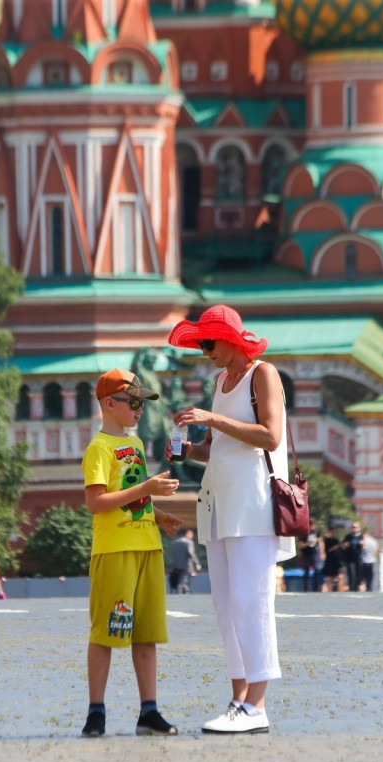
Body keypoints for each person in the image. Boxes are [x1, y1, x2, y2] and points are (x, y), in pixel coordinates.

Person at [168, 305, 298, 735]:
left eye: (209, 342)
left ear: (230, 339)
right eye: (200, 343)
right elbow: (219, 447)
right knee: (226, 610)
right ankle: (238, 700)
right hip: (220, 504)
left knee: (252, 601)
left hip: (255, 504)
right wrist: (188, 449)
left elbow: (270, 435)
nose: (204, 351)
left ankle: (257, 705)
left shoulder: (265, 374)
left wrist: (211, 418)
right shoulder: (222, 382)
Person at [80, 368, 183, 738]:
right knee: (107, 633)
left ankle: (149, 712)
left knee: (146, 635)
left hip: (147, 548)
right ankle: (96, 712)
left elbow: (133, 498)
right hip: (115, 550)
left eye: (142, 404)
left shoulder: (137, 446)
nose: (139, 410)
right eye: (133, 403)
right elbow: (96, 502)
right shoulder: (99, 448)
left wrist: (159, 515)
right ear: (110, 403)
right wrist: (150, 486)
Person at [170, 529, 201, 594]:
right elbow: (191, 553)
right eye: (191, 534)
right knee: (183, 580)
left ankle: (180, 592)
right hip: (186, 565)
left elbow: (173, 553)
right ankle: (182, 594)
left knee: (179, 580)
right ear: (187, 534)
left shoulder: (176, 542)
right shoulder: (189, 542)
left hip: (176, 565)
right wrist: (197, 563)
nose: (192, 536)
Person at [299, 527, 325, 592]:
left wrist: (322, 553)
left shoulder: (316, 532)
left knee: (317, 571)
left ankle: (315, 588)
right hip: (306, 555)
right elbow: (300, 545)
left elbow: (321, 542)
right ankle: (306, 588)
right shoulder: (303, 533)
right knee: (306, 572)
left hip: (315, 554)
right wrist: (308, 543)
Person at [342, 522, 364, 591]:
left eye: (355, 527)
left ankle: (357, 586)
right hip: (349, 556)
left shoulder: (361, 536)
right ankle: (351, 586)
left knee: (358, 571)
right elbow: (344, 545)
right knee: (350, 572)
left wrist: (362, 545)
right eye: (352, 527)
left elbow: (363, 548)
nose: (353, 529)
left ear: (359, 528)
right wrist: (346, 545)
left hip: (358, 556)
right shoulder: (348, 536)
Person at [321, 527, 343, 592]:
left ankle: (339, 589)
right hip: (329, 560)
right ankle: (329, 590)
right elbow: (326, 550)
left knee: (339, 576)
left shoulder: (336, 540)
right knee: (329, 576)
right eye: (331, 532)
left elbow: (340, 550)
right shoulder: (326, 540)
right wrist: (334, 548)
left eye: (334, 532)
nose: (333, 534)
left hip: (336, 561)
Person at [359, 527, 379, 592]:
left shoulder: (363, 540)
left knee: (362, 577)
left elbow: (362, 549)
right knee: (370, 578)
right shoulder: (374, 541)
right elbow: (376, 552)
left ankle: (363, 589)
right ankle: (370, 589)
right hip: (372, 561)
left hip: (364, 561)